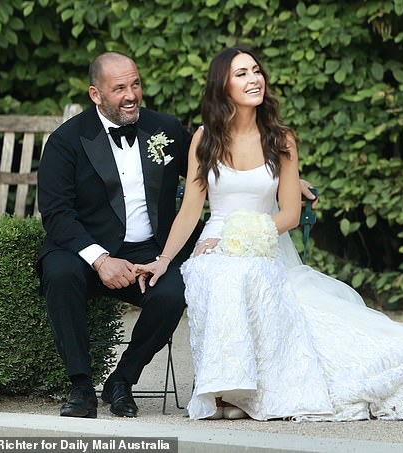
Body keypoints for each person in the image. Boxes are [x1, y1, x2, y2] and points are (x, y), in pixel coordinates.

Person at [134, 46, 403, 421]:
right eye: (242, 74)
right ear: (223, 86)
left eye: (256, 71)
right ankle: (223, 390)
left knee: (253, 279)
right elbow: (191, 209)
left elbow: (288, 215)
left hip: (264, 238)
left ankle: (244, 392)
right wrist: (166, 258)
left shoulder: (280, 139)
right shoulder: (205, 139)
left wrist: (241, 234)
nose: (254, 79)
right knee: (213, 273)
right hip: (214, 242)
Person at [37, 51, 318, 419]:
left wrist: (287, 177)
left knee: (176, 290)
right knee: (59, 273)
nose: (131, 94)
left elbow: (223, 158)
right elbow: (56, 215)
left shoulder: (164, 129)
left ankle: (122, 380)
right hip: (87, 253)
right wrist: (101, 259)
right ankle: (81, 387)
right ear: (96, 95)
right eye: (119, 88)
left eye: (135, 84)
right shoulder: (65, 141)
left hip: (150, 249)